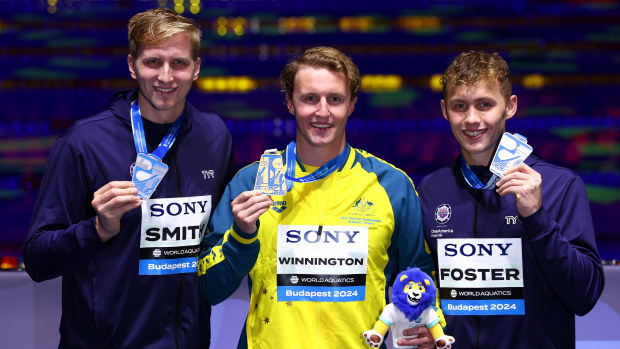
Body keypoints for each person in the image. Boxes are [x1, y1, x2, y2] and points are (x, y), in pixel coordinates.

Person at [197, 46, 441, 348]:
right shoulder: (251, 182)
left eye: (335, 99)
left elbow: (418, 273)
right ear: (289, 102)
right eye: (309, 98)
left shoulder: (392, 185)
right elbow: (209, 286)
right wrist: (240, 237)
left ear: (351, 105)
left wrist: (431, 326)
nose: (322, 112)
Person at [23, 8, 236, 348]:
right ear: (131, 65)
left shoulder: (214, 136)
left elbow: (219, 237)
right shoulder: (84, 141)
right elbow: (37, 259)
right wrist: (97, 229)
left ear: (196, 68)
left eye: (179, 63)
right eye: (153, 62)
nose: (165, 77)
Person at [412, 50, 605, 348]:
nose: (471, 119)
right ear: (444, 110)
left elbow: (585, 296)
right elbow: (421, 285)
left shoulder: (560, 185)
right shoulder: (432, 189)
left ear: (510, 106)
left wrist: (537, 217)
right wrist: (425, 325)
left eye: (485, 105)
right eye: (459, 106)